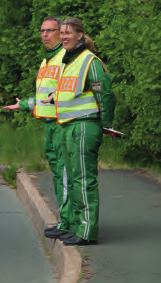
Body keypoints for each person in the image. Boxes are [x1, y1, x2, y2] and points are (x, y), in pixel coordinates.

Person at [43, 17, 116, 246]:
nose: (63, 36)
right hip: (67, 126)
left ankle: (86, 231)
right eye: (62, 33)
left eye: (68, 33)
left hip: (84, 126)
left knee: (83, 180)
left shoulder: (89, 61)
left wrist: (103, 123)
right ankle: (74, 225)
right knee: (72, 179)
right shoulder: (69, 61)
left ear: (80, 36)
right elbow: (73, 92)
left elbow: (103, 93)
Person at [3, 16, 72, 237]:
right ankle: (66, 220)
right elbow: (45, 97)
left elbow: (68, 92)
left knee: (65, 174)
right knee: (58, 174)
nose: (45, 35)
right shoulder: (46, 62)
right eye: (42, 31)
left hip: (63, 125)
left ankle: (69, 222)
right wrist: (24, 104)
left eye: (50, 30)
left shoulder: (66, 58)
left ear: (61, 33)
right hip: (49, 126)